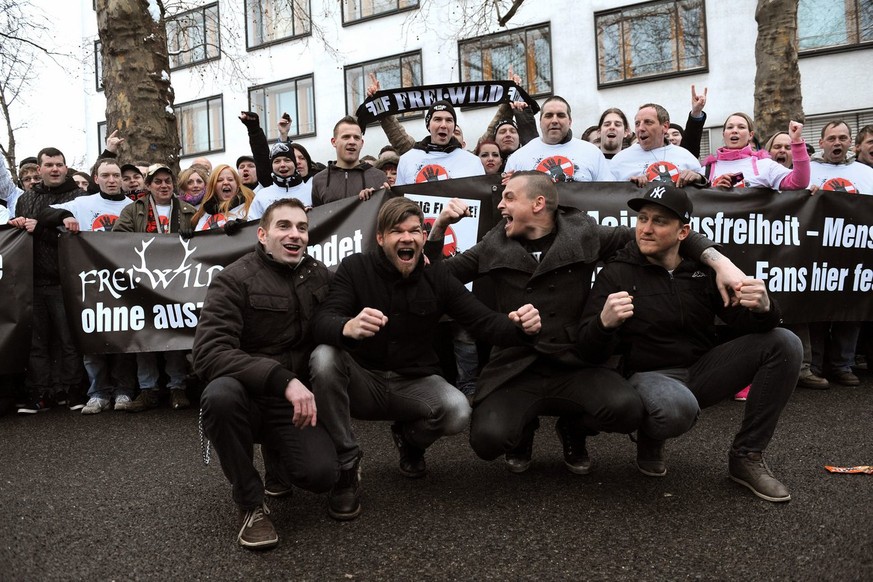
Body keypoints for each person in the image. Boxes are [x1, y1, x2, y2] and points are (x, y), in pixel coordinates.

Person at [426, 171, 745, 473]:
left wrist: (720, 262)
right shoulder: (493, 243)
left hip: (574, 360)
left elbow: (664, 235)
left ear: (537, 204)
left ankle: (574, 429)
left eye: (509, 198)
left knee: (626, 410)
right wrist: (439, 229)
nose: (500, 205)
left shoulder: (584, 232)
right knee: (488, 441)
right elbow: (436, 281)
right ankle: (522, 432)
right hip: (516, 365)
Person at [309, 197, 541, 517]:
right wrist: (346, 326)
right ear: (380, 238)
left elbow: (483, 321)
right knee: (324, 357)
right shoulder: (355, 268)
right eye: (397, 232)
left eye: (415, 231)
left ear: (422, 237)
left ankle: (410, 441)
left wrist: (519, 327)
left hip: (412, 383)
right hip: (364, 381)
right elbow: (322, 322)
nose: (407, 238)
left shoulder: (437, 277)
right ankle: (346, 466)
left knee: (458, 409)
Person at [576, 184, 801, 502]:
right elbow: (587, 348)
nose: (646, 229)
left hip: (699, 371)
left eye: (659, 221)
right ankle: (651, 436)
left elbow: (745, 325)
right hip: (648, 377)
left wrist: (765, 308)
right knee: (677, 409)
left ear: (683, 232)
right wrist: (604, 324)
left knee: (785, 343)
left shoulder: (703, 272)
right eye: (642, 219)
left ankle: (747, 457)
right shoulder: (617, 272)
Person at [195, 198, 338, 550]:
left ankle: (278, 460)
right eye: (284, 226)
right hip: (250, 396)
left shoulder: (319, 275)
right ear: (262, 234)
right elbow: (209, 353)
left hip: (295, 406)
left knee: (321, 477)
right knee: (219, 396)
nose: (295, 235)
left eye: (302, 228)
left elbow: (364, 288)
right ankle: (250, 504)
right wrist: (282, 379)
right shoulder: (233, 279)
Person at [38, 159, 137, 414]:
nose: (112, 180)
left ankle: (123, 391)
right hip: (89, 284)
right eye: (106, 175)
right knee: (91, 338)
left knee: (125, 339)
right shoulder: (82, 204)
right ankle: (98, 392)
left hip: (125, 283)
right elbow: (44, 213)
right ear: (96, 179)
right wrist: (66, 215)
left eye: (116, 175)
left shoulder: (134, 207)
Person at [113, 164, 195, 412]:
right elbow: (116, 239)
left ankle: (177, 388)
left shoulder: (189, 210)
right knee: (145, 335)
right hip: (144, 282)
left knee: (175, 333)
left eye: (167, 181)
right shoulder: (133, 210)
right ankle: (148, 390)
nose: (163, 185)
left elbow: (204, 239)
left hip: (178, 281)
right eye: (157, 181)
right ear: (148, 185)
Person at [10, 147, 86, 413]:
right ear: (39, 169)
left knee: (69, 340)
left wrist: (42, 226)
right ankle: (39, 393)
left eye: (59, 164)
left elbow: (77, 237)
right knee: (37, 342)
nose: (55, 169)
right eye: (49, 164)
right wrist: (16, 223)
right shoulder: (26, 198)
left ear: (66, 168)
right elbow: (20, 236)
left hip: (66, 280)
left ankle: (73, 390)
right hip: (32, 281)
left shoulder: (79, 196)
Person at [807, 121, 873, 387]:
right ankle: (817, 365)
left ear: (850, 144)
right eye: (831, 138)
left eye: (842, 138)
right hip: (814, 252)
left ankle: (843, 365)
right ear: (821, 142)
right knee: (815, 310)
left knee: (851, 308)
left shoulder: (866, 173)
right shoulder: (806, 170)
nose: (837, 143)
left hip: (854, 253)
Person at [504, 96, 613, 182]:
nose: (554, 120)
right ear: (540, 121)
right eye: (549, 115)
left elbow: (608, 193)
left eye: (560, 115)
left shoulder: (592, 153)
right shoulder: (518, 158)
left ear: (570, 122)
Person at [610, 103, 707, 188]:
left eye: (648, 122)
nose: (641, 128)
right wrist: (630, 187)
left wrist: (698, 178)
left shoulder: (685, 156)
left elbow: (707, 189)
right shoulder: (620, 160)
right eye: (637, 124)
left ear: (665, 127)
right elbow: (608, 196)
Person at [704, 116, 809, 190]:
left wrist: (796, 141)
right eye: (730, 127)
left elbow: (799, 182)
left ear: (750, 135)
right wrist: (715, 191)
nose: (734, 131)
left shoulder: (765, 165)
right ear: (724, 134)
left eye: (741, 127)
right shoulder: (706, 170)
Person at [394, 100, 484, 185]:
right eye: (438, 119)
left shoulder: (472, 162)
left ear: (454, 127)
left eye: (449, 120)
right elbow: (399, 200)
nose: (443, 125)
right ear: (428, 125)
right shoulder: (407, 160)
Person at [310, 116, 387, 207]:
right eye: (346, 137)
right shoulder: (319, 180)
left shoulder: (379, 176)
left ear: (361, 143)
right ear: (334, 142)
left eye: (356, 138)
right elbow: (318, 217)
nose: (352, 141)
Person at [248, 142, 312, 219]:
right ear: (271, 166)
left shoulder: (312, 191)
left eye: (287, 160)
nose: (282, 165)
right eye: (277, 161)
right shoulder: (262, 195)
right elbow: (252, 225)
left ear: (295, 164)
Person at [191, 164, 255, 231]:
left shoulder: (250, 206)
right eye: (220, 180)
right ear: (213, 187)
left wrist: (242, 225)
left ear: (237, 185)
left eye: (230, 179)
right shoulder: (205, 213)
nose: (226, 182)